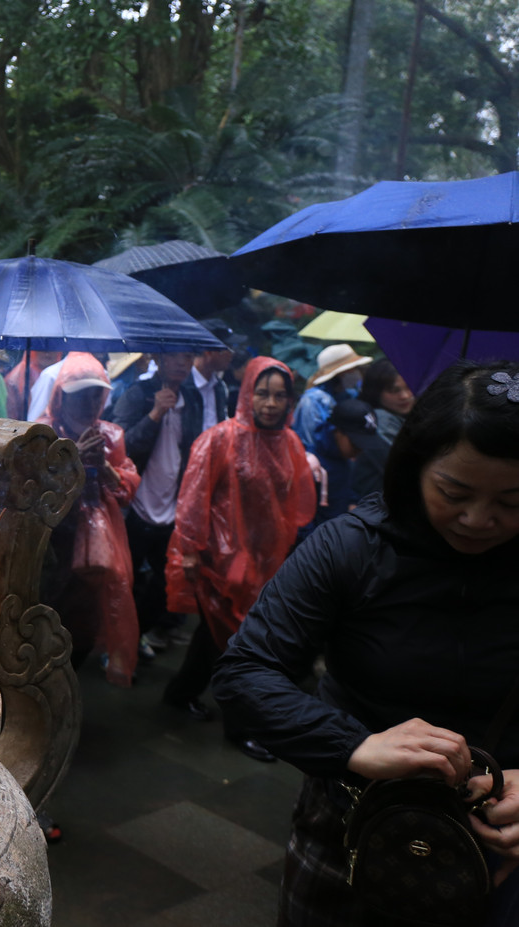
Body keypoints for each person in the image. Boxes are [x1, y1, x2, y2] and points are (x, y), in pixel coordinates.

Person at [213, 360, 519, 927]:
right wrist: (355, 746)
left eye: (512, 502)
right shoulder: (350, 547)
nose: (479, 519)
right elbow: (244, 674)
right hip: (351, 826)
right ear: (414, 467)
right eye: (454, 491)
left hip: (498, 847)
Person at [161, 357, 316, 761]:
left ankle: (179, 693)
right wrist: (190, 550)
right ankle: (241, 726)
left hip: (265, 563)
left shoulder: (290, 442)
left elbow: (296, 504)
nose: (270, 402)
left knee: (216, 638)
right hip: (221, 563)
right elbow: (193, 498)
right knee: (239, 644)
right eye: (262, 393)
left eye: (279, 395)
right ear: (247, 392)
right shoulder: (219, 439)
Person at [35, 353, 141, 686]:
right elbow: (31, 490)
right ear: (62, 395)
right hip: (52, 543)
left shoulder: (111, 436)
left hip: (99, 545)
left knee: (87, 619)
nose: (90, 402)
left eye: (97, 393)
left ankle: (67, 682)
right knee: (46, 615)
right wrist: (71, 460)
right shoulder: (43, 433)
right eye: (81, 393)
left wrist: (106, 468)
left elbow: (127, 491)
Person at [110, 350, 211, 656]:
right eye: (175, 356)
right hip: (136, 507)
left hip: (174, 510)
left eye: (187, 357)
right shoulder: (138, 394)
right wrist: (154, 414)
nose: (182, 362)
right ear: (158, 358)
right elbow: (120, 449)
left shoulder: (193, 399)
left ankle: (135, 635)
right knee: (125, 582)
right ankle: (114, 646)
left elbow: (195, 451)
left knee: (166, 582)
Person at [293, 343, 372, 524]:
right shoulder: (312, 400)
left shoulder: (347, 395)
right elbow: (310, 444)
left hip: (343, 474)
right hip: (321, 477)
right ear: (341, 374)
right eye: (353, 369)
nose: (357, 374)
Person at [330, 398, 390, 502]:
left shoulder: (348, 458)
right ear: (338, 432)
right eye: (355, 444)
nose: (360, 450)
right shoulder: (316, 462)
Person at [358, 356, 415, 443]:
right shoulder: (383, 421)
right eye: (393, 390)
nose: (405, 396)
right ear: (375, 392)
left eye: (409, 387)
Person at [4, 349, 63, 420]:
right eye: (41, 349)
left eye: (53, 349)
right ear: (32, 351)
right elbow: (11, 415)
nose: (47, 354)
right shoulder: (17, 378)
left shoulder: (63, 374)